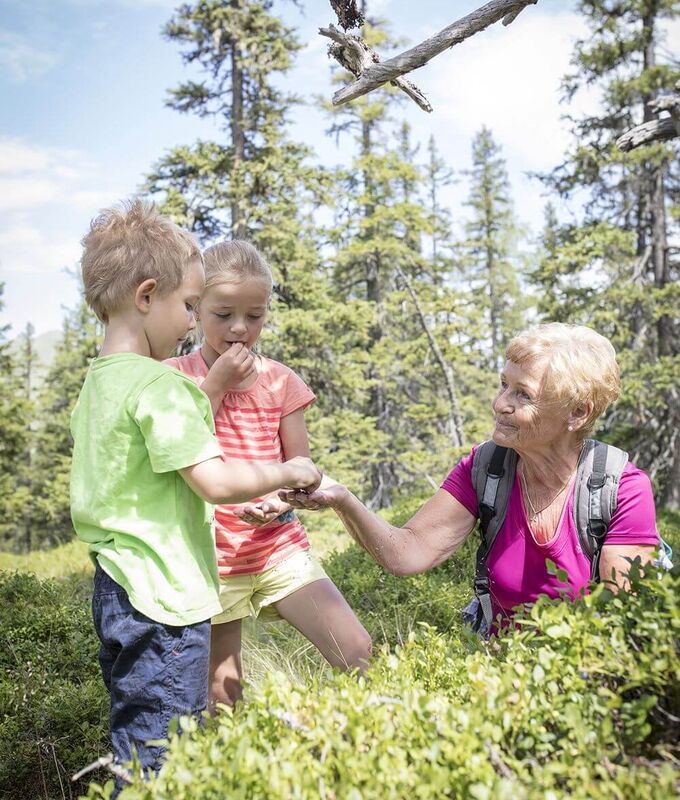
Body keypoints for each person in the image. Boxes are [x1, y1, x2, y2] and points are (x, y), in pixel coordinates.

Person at [70, 201, 321, 782]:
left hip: (116, 587)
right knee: (165, 753)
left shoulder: (97, 384)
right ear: (146, 294)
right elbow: (213, 480)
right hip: (165, 596)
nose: (189, 321)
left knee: (135, 735)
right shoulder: (157, 384)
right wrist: (289, 471)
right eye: (187, 306)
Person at [280, 323, 661, 632]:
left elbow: (620, 624)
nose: (500, 404)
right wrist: (343, 499)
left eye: (522, 395)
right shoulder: (487, 467)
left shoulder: (622, 490)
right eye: (502, 384)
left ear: (577, 412)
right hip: (498, 679)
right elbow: (406, 552)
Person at [166, 240, 371, 710]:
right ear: (195, 309)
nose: (240, 328)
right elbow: (178, 447)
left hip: (278, 547)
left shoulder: (281, 382)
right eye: (223, 315)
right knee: (224, 694)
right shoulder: (176, 377)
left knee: (357, 651)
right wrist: (213, 386)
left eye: (254, 316)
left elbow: (301, 469)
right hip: (212, 557)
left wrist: (280, 500)